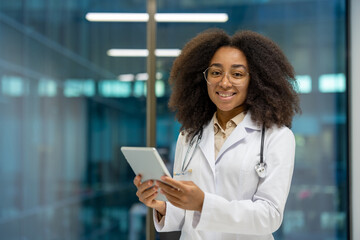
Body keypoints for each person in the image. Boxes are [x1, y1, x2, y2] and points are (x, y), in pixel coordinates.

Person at [133, 28, 301, 240]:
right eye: (216, 72)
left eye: (237, 74)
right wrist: (160, 204)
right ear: (203, 78)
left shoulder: (277, 137)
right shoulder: (189, 135)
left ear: (256, 80)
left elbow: (270, 216)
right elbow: (186, 215)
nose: (224, 82)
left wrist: (203, 203)